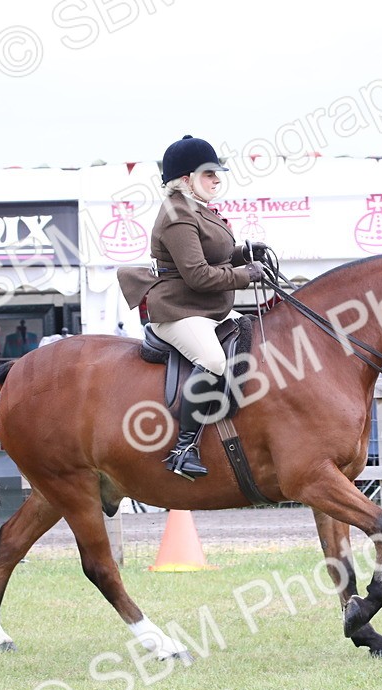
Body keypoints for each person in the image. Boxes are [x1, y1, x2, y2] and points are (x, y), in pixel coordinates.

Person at [117, 135, 268, 480]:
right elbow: (198, 275)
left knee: (259, 334)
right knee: (213, 360)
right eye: (209, 174)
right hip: (180, 311)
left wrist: (244, 254)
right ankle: (183, 449)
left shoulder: (198, 208)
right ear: (186, 180)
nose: (217, 180)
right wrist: (245, 275)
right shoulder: (177, 214)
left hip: (209, 309)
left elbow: (214, 256)